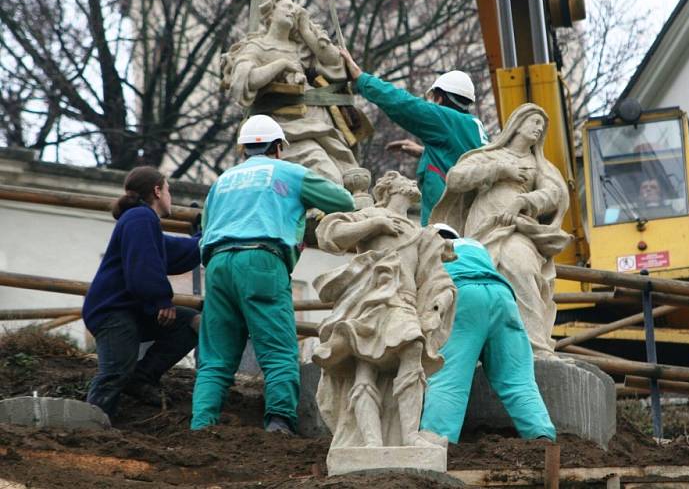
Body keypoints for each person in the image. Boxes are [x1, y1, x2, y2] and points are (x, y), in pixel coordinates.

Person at [191, 114, 355, 434]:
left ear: (243, 150)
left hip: (217, 265)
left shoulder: (222, 182)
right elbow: (343, 201)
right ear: (278, 147)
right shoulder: (290, 172)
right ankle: (279, 421)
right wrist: (305, 209)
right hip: (262, 261)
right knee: (278, 348)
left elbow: (205, 230)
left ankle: (200, 425)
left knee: (216, 356)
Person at [313, 172, 456, 449]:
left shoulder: (419, 232)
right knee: (365, 366)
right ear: (389, 188)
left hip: (402, 302)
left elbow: (436, 276)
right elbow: (331, 235)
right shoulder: (367, 215)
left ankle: (411, 436)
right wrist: (374, 223)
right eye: (404, 179)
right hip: (369, 302)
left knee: (413, 346)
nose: (412, 182)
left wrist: (437, 306)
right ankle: (371, 442)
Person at [431, 103, 572, 357]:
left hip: (518, 228)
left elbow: (554, 194)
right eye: (534, 121)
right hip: (483, 226)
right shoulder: (489, 155)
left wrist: (525, 201)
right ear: (517, 123)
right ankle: (480, 349)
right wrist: (498, 171)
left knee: (522, 266)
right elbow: (455, 178)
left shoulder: (537, 164)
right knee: (478, 280)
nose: (539, 129)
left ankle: (534, 345)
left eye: (543, 125)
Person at [420, 223, 556, 443]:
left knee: (447, 376)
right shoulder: (475, 247)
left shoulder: (425, 247)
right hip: (503, 298)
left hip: (461, 296)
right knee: (517, 378)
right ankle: (541, 436)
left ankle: (436, 442)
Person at [83, 166, 201, 418]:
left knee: (191, 322)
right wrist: (161, 299)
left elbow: (176, 252)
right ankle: (89, 426)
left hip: (132, 311)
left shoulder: (144, 223)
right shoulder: (140, 217)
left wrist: (203, 236)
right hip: (113, 312)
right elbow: (143, 264)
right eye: (169, 190)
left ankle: (142, 377)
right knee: (114, 373)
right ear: (157, 191)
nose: (171, 197)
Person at [221, 0, 363, 185]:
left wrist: (305, 29)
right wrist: (281, 64)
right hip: (285, 128)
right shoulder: (257, 47)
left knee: (348, 178)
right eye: (287, 7)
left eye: (294, 9)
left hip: (320, 125)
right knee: (329, 178)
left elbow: (334, 61)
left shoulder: (299, 47)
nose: (292, 11)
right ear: (270, 13)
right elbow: (245, 80)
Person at [340, 48, 489, 225]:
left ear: (440, 98)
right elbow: (458, 158)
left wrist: (361, 78)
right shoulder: (473, 125)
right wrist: (423, 152)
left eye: (434, 98)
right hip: (467, 219)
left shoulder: (444, 119)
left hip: (445, 223)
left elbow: (401, 103)